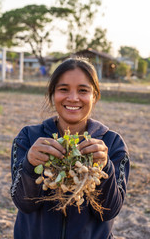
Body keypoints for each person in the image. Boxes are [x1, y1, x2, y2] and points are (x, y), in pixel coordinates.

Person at [11, 57, 130, 239]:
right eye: (63, 89)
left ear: (95, 96)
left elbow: (109, 211)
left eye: (83, 90)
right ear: (52, 94)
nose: (73, 98)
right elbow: (24, 204)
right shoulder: (28, 138)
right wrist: (29, 163)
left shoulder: (112, 144)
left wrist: (104, 167)